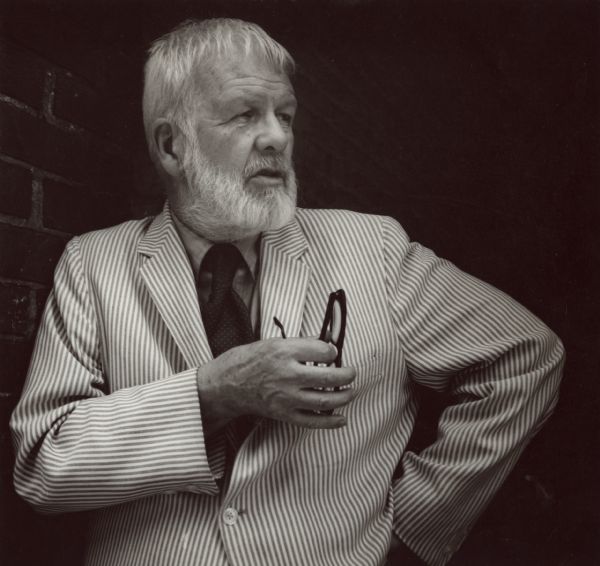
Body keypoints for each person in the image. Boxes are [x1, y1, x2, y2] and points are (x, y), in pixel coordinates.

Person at [10, 18, 564, 566]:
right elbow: (43, 468)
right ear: (171, 146)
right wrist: (214, 394)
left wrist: (416, 522)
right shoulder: (93, 263)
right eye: (246, 114)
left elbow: (525, 357)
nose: (277, 136)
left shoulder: (375, 247)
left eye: (285, 115)